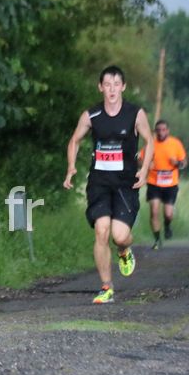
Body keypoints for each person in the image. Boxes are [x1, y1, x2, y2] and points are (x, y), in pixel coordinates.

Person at [64, 65, 154, 304]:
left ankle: (124, 250)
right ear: (100, 87)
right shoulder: (91, 115)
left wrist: (145, 169)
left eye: (116, 84)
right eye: (107, 84)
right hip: (99, 183)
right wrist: (71, 167)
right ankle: (106, 287)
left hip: (125, 184)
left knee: (120, 236)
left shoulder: (135, 114)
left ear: (123, 87)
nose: (112, 89)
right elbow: (74, 140)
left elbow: (149, 140)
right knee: (101, 230)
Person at [140, 120, 187, 249]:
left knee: (168, 214)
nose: (161, 132)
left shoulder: (175, 143)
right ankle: (157, 239)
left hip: (171, 184)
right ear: (155, 131)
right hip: (153, 182)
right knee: (154, 211)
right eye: (158, 130)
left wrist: (177, 163)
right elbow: (140, 160)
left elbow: (184, 162)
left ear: (168, 130)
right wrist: (146, 164)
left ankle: (167, 225)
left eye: (163, 130)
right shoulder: (150, 144)